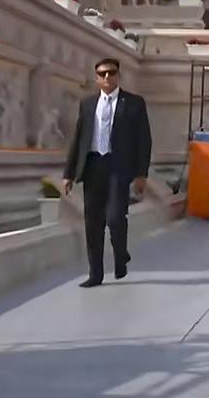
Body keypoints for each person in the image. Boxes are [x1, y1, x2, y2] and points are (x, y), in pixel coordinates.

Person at [63, 58, 152, 288]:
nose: (106, 78)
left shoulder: (133, 103)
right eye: (101, 74)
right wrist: (69, 173)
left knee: (114, 217)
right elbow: (78, 139)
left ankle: (120, 255)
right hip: (93, 166)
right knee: (92, 222)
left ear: (118, 76)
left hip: (118, 167)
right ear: (96, 78)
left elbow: (144, 140)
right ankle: (96, 274)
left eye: (111, 73)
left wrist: (141, 174)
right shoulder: (88, 104)